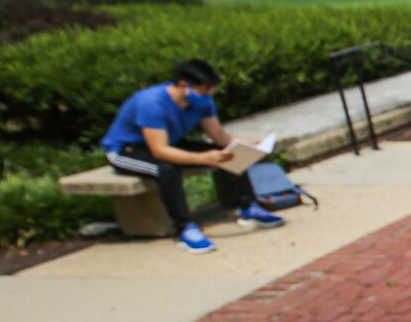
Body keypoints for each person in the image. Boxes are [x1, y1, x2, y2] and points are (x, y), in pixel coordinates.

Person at [100, 59, 286, 255]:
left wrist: (249, 145)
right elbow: (159, 151)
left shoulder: (202, 101)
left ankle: (248, 207)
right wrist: (204, 158)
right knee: (166, 171)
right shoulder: (151, 103)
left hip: (168, 143)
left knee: (229, 153)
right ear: (183, 85)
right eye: (205, 90)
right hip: (126, 151)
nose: (209, 95)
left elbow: (219, 136)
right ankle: (184, 227)